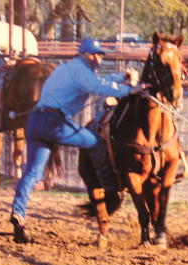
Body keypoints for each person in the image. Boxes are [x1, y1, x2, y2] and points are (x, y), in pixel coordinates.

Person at [10, 37, 148, 243]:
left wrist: (121, 76)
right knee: (95, 142)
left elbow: (97, 82)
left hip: (35, 122)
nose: (98, 58)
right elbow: (98, 87)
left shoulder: (70, 68)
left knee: (32, 173)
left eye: (100, 54)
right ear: (83, 54)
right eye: (94, 54)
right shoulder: (81, 70)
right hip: (54, 123)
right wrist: (130, 89)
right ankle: (111, 189)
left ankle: (18, 213)